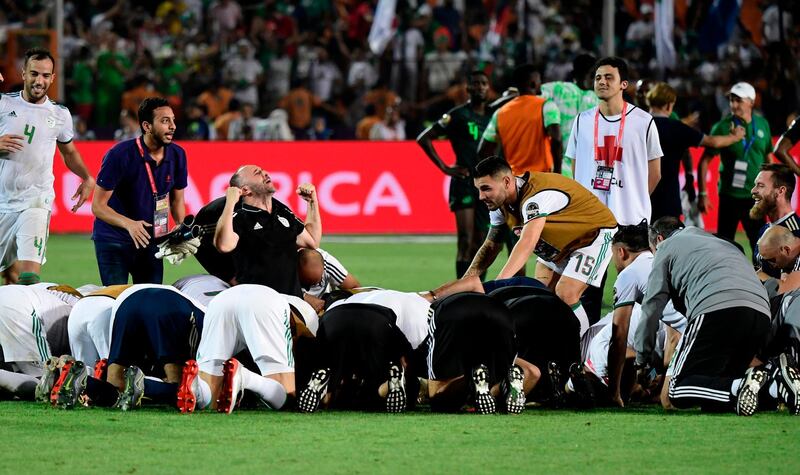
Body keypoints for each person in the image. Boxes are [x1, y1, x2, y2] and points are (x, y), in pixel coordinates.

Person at [460, 157, 617, 336]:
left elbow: (527, 243)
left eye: (486, 188)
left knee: (566, 293)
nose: (481, 196)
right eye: (478, 189)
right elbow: (491, 246)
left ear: (506, 181)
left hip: (592, 237)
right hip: (557, 244)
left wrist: (498, 284)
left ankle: (583, 352)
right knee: (536, 297)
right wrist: (466, 280)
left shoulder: (534, 198)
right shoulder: (498, 203)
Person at [635, 217, 771, 416]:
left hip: (716, 307)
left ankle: (739, 386)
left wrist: (642, 360)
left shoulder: (666, 247)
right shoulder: (720, 241)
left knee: (677, 389)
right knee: (715, 394)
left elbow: (651, 308)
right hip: (761, 313)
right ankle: (776, 386)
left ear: (659, 240)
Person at [565, 56, 663, 325]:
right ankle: (588, 347)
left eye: (609, 77)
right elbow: (575, 169)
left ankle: (639, 352)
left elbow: (655, 172)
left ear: (624, 84)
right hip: (593, 222)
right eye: (598, 77)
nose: (602, 82)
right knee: (589, 292)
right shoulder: (582, 121)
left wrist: (634, 199)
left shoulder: (643, 121)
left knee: (638, 290)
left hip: (632, 221)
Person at [0, 48, 95, 285]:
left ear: (53, 78)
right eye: (34, 74)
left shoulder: (60, 115)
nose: (39, 81)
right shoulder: (3, 104)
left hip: (36, 201)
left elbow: (69, 151)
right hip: (3, 201)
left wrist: (87, 177)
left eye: (45, 75)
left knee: (29, 277)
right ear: (23, 74)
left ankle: (29, 320)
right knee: (9, 275)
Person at [91, 97, 188, 285]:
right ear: (147, 126)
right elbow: (98, 206)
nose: (173, 126)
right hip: (114, 240)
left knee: (149, 301)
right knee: (116, 300)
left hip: (151, 242)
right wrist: (129, 224)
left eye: (173, 120)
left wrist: (181, 229)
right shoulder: (119, 154)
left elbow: (177, 201)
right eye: (165, 121)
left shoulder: (178, 154)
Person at [182, 284, 318, 413]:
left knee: (211, 398)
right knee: (286, 396)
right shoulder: (299, 317)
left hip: (221, 301)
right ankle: (246, 378)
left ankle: (198, 390)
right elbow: (302, 337)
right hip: (265, 304)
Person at [417, 70, 491, 278]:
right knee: (466, 240)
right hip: (464, 182)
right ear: (467, 89)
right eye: (475, 83)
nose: (480, 87)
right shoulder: (457, 115)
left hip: (486, 185)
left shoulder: (494, 115)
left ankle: (476, 287)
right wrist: (445, 167)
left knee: (482, 241)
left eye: (484, 83)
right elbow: (424, 138)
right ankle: (462, 289)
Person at [605, 223, 686, 407]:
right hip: (712, 320)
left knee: (670, 401)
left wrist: (614, 392)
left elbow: (619, 337)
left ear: (621, 252)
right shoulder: (666, 260)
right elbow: (673, 333)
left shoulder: (629, 274)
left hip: (695, 334)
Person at [214, 165, 320, 297]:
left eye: (263, 170)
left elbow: (312, 241)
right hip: (259, 304)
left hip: (292, 302)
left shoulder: (282, 211)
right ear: (245, 190)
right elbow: (224, 245)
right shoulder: (240, 218)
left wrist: (312, 202)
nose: (265, 173)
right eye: (257, 173)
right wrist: (230, 202)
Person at [646, 82, 745, 221]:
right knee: (665, 240)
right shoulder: (677, 128)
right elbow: (712, 142)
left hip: (639, 197)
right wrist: (734, 137)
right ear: (669, 105)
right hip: (667, 200)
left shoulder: (638, 125)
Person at [698, 82, 772, 256]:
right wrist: (702, 193)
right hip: (729, 196)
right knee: (724, 247)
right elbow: (704, 161)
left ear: (751, 102)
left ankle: (762, 282)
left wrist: (771, 189)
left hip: (756, 197)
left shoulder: (762, 124)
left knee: (761, 246)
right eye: (731, 100)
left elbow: (768, 157)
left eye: (738, 100)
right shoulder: (722, 126)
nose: (733, 104)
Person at [478, 64, 562, 174]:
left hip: (515, 181)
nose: (540, 85)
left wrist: (497, 175)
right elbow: (557, 139)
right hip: (543, 179)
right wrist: (558, 172)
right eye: (539, 81)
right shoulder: (546, 106)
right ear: (533, 83)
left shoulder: (500, 113)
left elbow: (482, 151)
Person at [540, 53, 598, 179]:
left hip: (559, 168)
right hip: (587, 172)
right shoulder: (599, 99)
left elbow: (530, 93)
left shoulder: (556, 89)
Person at [751, 164, 800, 278]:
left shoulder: (796, 233)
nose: (753, 190)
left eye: (760, 186)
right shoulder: (765, 229)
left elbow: (792, 289)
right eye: (755, 185)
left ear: (781, 191)